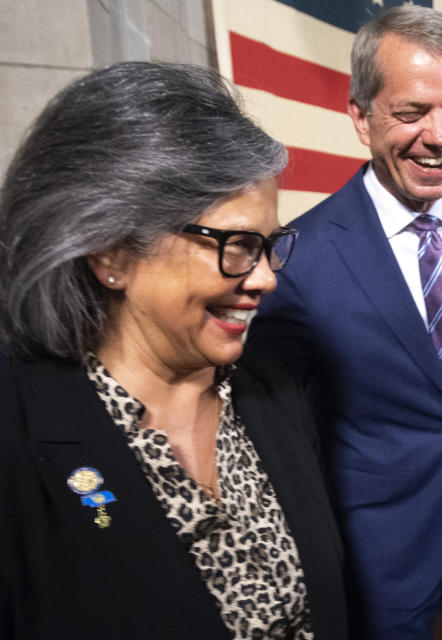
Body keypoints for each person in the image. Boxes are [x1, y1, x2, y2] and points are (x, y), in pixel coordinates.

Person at [0, 62, 348, 639]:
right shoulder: (17, 432)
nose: (265, 279)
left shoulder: (273, 389)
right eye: (236, 245)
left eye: (268, 246)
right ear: (109, 251)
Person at [248, 6, 442, 639]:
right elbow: (281, 421)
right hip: (380, 536)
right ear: (360, 117)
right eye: (411, 113)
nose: (439, 136)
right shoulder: (298, 257)